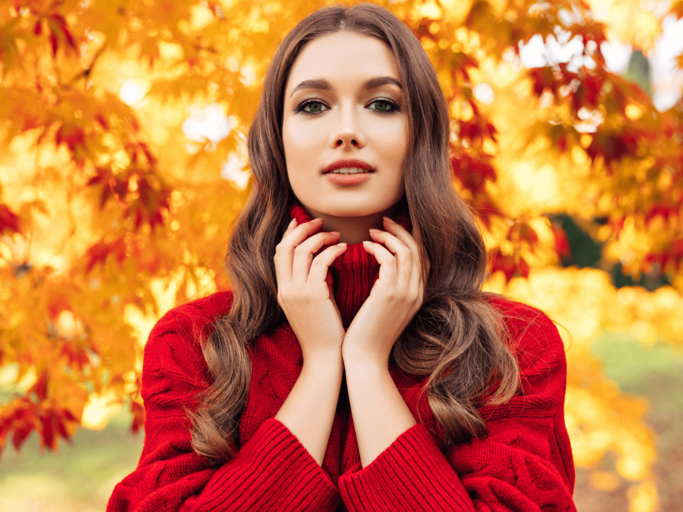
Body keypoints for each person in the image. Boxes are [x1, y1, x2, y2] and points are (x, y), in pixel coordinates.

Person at [107, 3, 576, 511]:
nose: (347, 130)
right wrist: (323, 363)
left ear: (421, 134)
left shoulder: (515, 348)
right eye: (312, 105)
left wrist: (367, 362)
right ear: (276, 140)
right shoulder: (194, 345)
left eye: (382, 104)